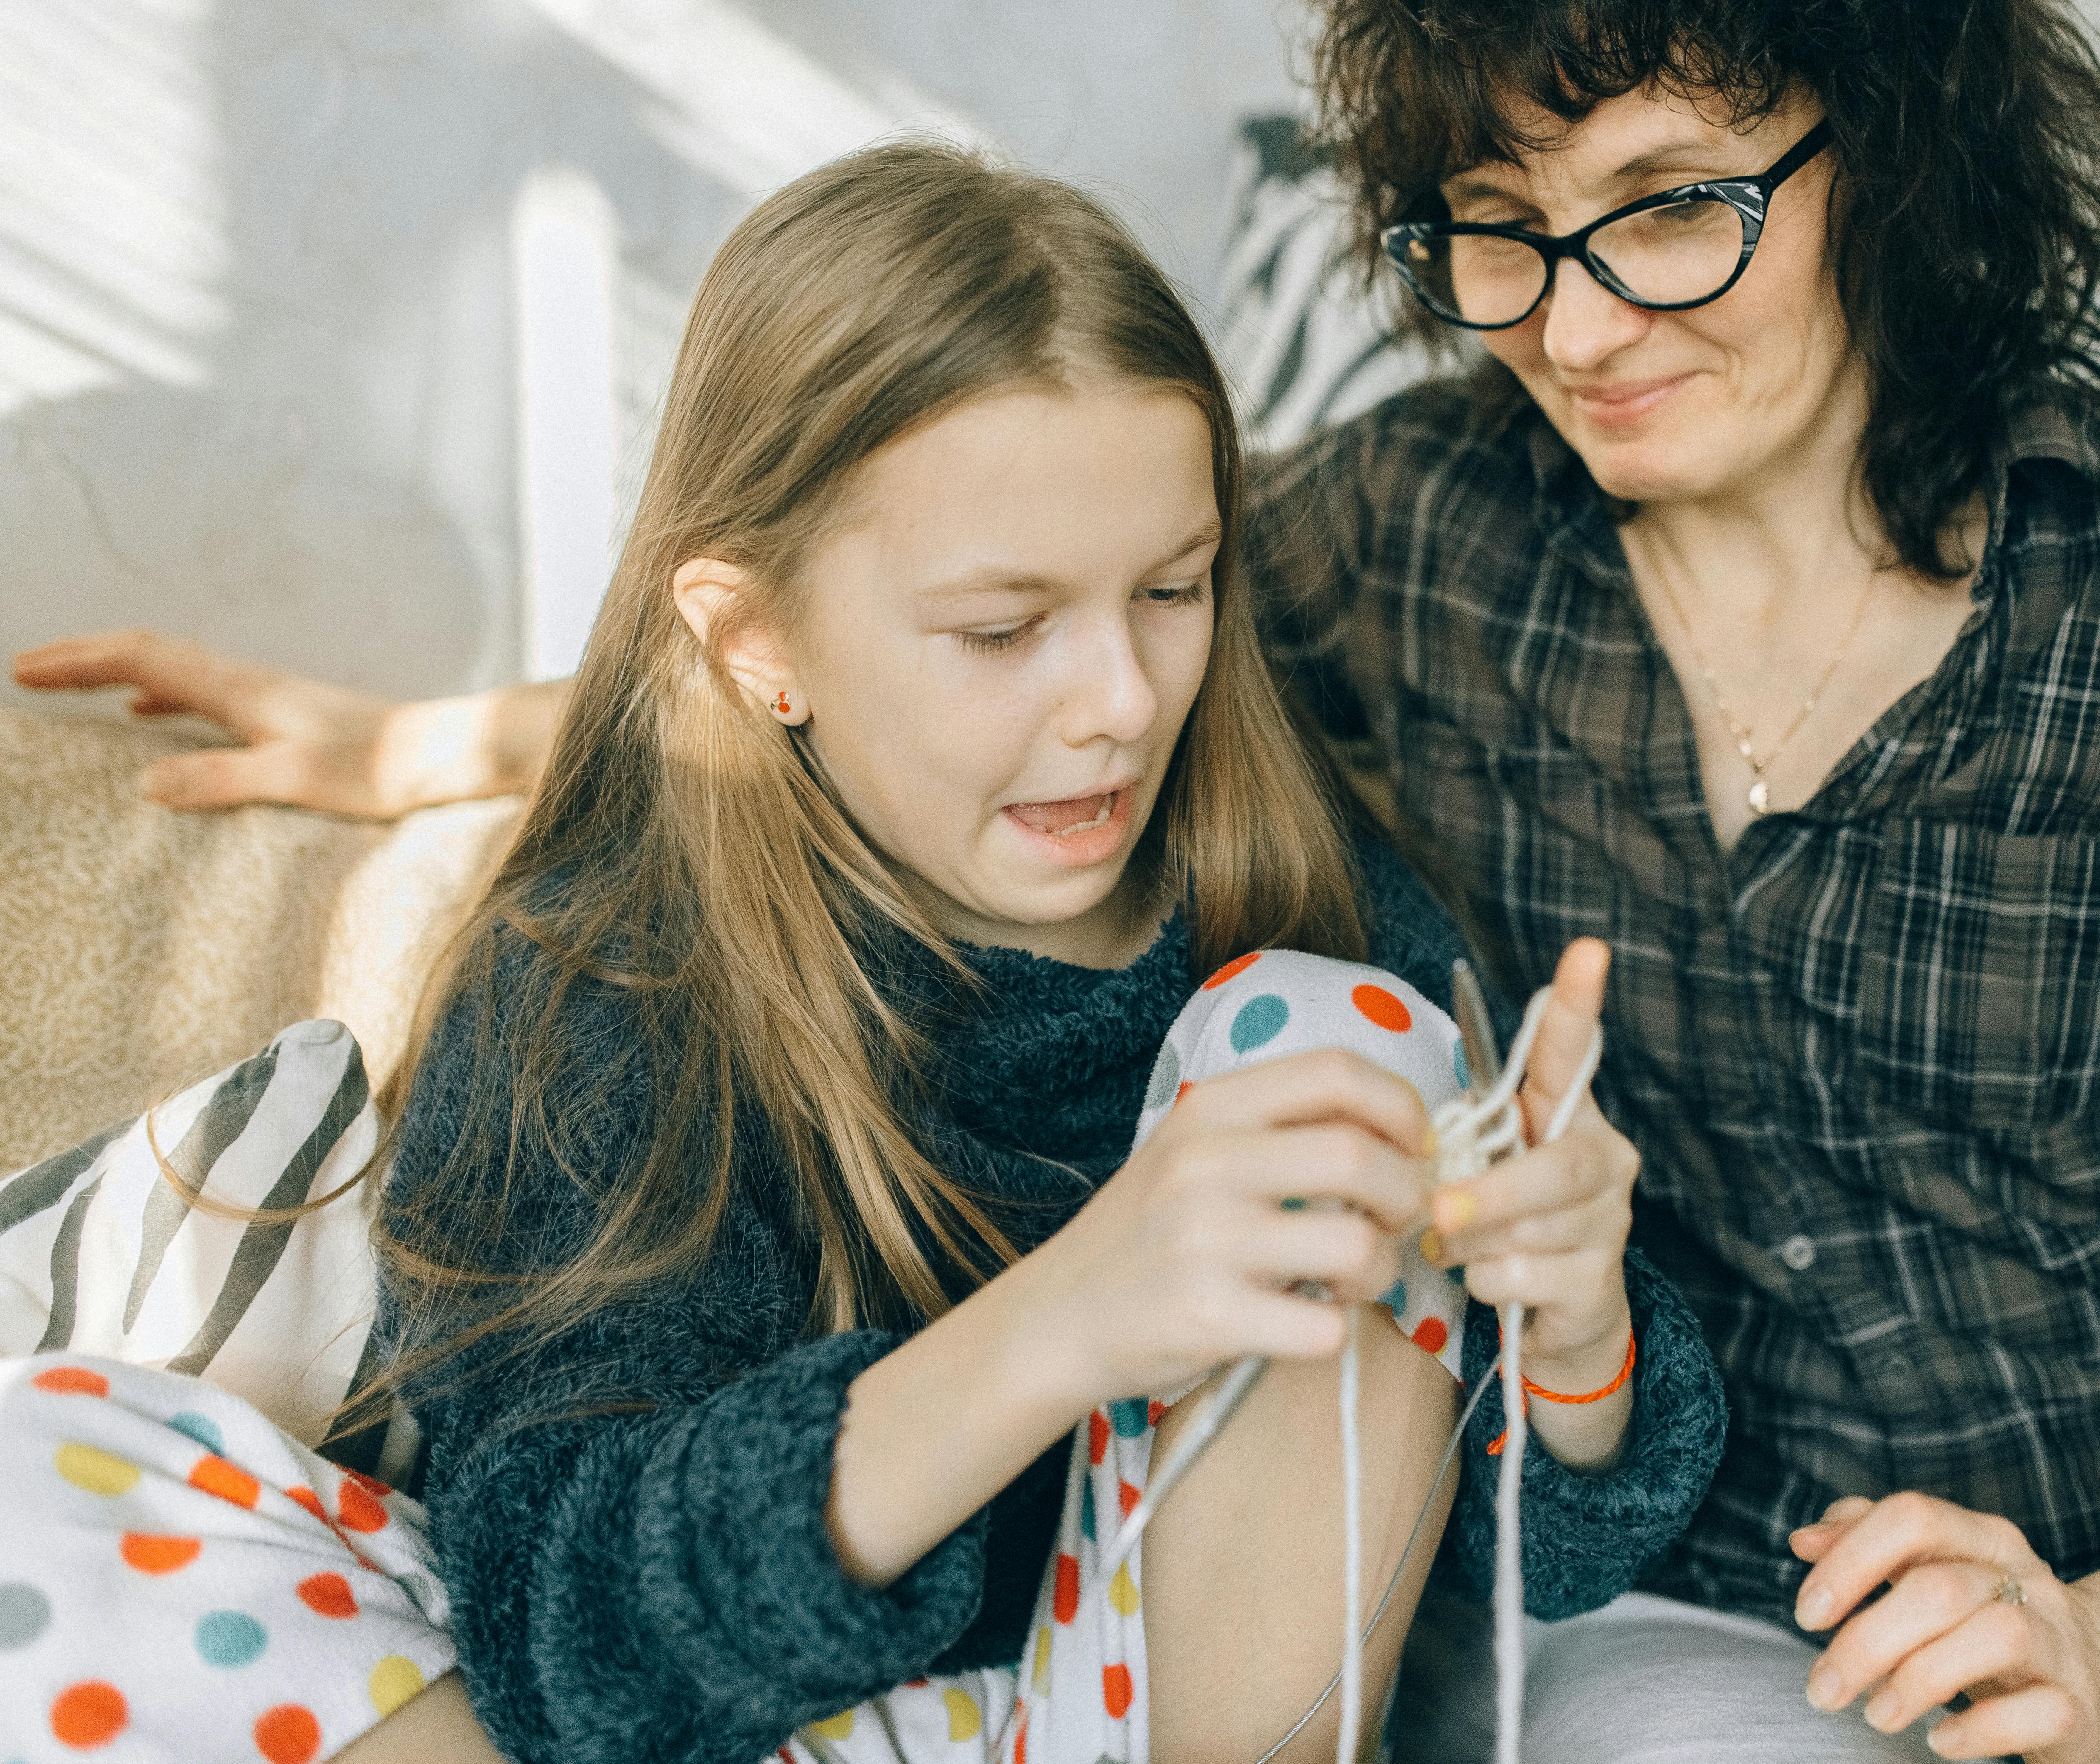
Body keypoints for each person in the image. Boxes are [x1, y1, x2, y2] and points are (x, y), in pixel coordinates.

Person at [20, 2, 2100, 1761]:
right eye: (1498, 230)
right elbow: (885, 645)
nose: (1580, 319)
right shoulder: (1414, 540)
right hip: (1719, 1620)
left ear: (1898, 154)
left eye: (1674, 204)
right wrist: (423, 743)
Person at [0, 142, 1731, 1764]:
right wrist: (1067, 1313)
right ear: (759, 643)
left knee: (1332, 1028)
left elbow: (1528, 1562)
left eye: (1175, 587)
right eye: (1003, 627)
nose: (1123, 703)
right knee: (40, 1464)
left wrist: (1575, 1329)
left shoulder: (1297, 888)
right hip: (736, 1720)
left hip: (1152, 1718)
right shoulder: (606, 982)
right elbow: (558, 1635)